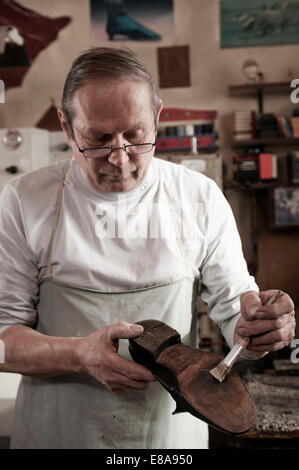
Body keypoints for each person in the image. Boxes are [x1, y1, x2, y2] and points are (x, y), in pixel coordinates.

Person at [0, 47, 295, 449]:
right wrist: (79, 355)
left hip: (169, 441)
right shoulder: (23, 200)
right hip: (59, 435)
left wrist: (257, 330)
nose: (120, 159)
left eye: (135, 136)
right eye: (98, 139)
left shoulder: (198, 197)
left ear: (157, 116)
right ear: (66, 126)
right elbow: (4, 340)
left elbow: (234, 310)